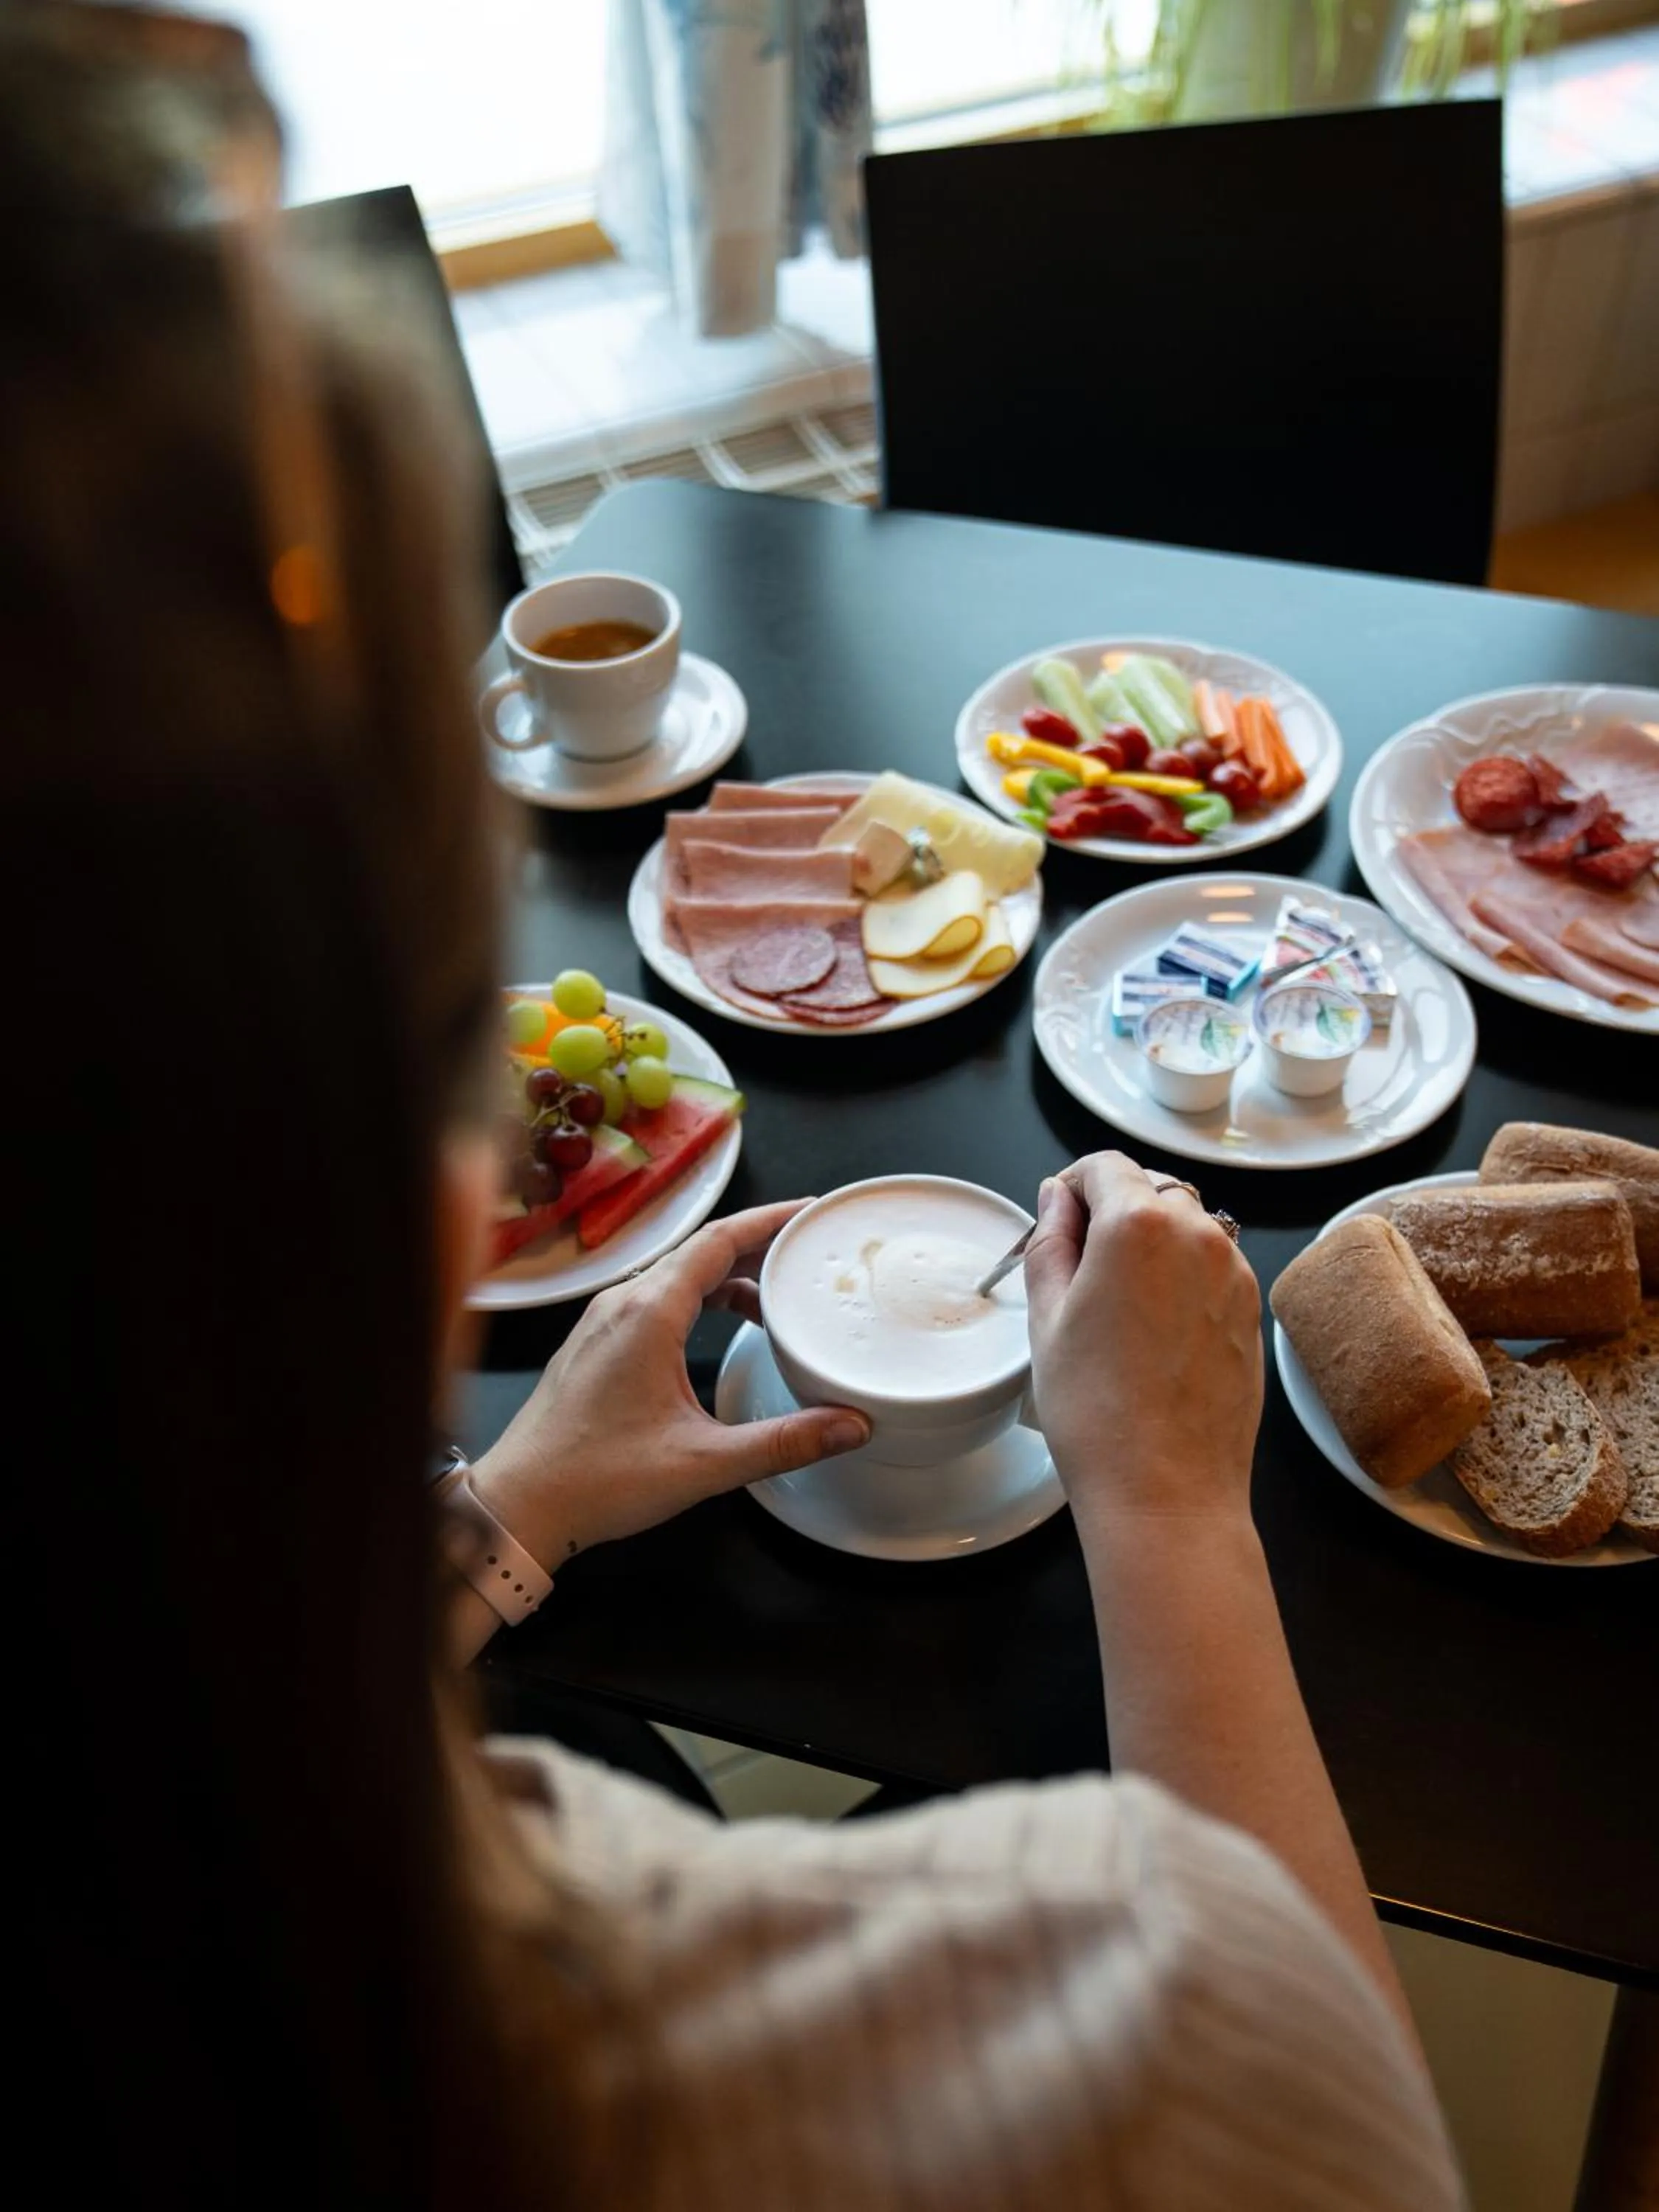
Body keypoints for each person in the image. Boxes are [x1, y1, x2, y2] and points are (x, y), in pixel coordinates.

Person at [7, 13, 1464, 2208]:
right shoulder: (1125, 2045)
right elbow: (1321, 2096)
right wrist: (1166, 1511)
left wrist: (506, 1517)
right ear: (459, 1208)